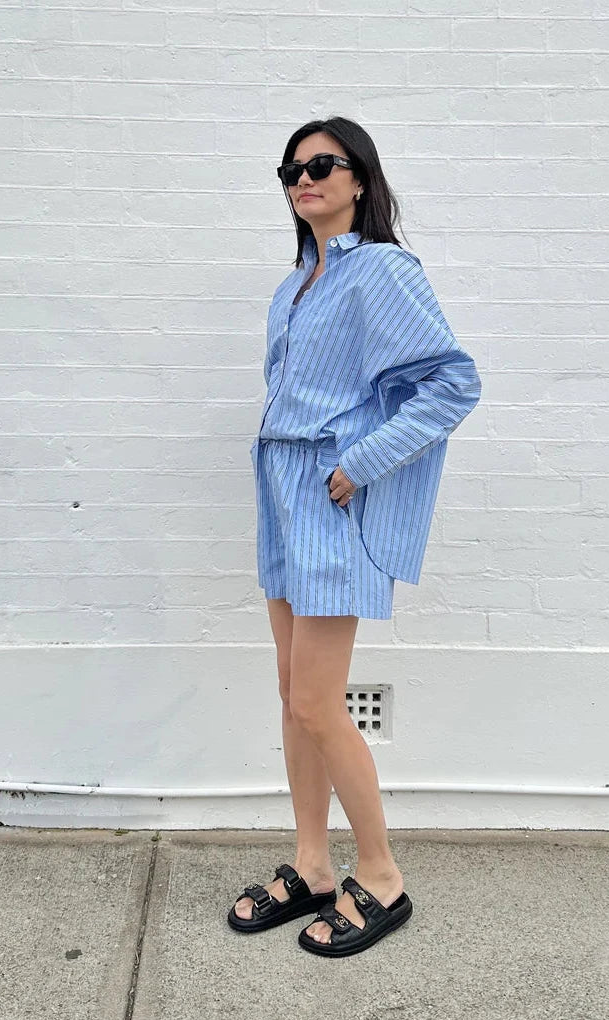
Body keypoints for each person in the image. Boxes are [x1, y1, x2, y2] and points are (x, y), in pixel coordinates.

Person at [227, 117, 482, 957]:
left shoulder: (381, 270)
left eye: (322, 165)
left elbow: (451, 381)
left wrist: (359, 463)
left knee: (315, 699)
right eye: (291, 169)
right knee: (290, 695)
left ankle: (380, 873)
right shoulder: (297, 280)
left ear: (359, 179)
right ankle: (312, 863)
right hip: (279, 491)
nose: (304, 179)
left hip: (327, 494)